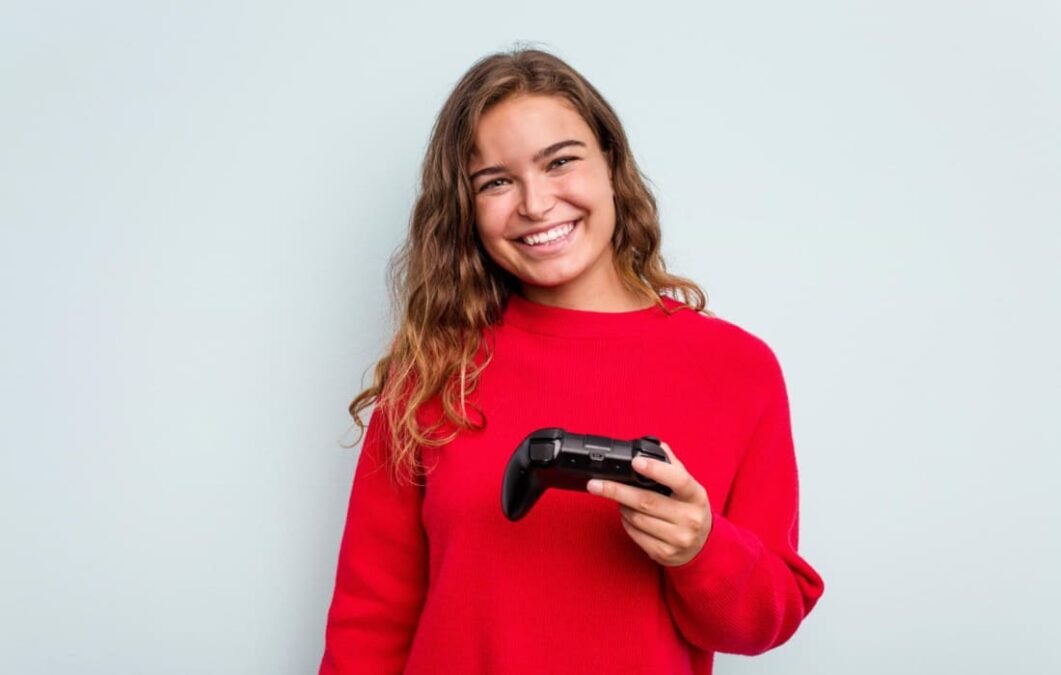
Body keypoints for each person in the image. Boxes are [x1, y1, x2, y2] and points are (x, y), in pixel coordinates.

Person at [319, 47, 825, 675]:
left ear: (611, 165)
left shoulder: (737, 368)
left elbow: (766, 620)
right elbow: (369, 622)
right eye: (496, 182)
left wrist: (700, 548)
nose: (535, 204)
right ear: (465, 208)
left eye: (559, 161)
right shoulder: (434, 369)